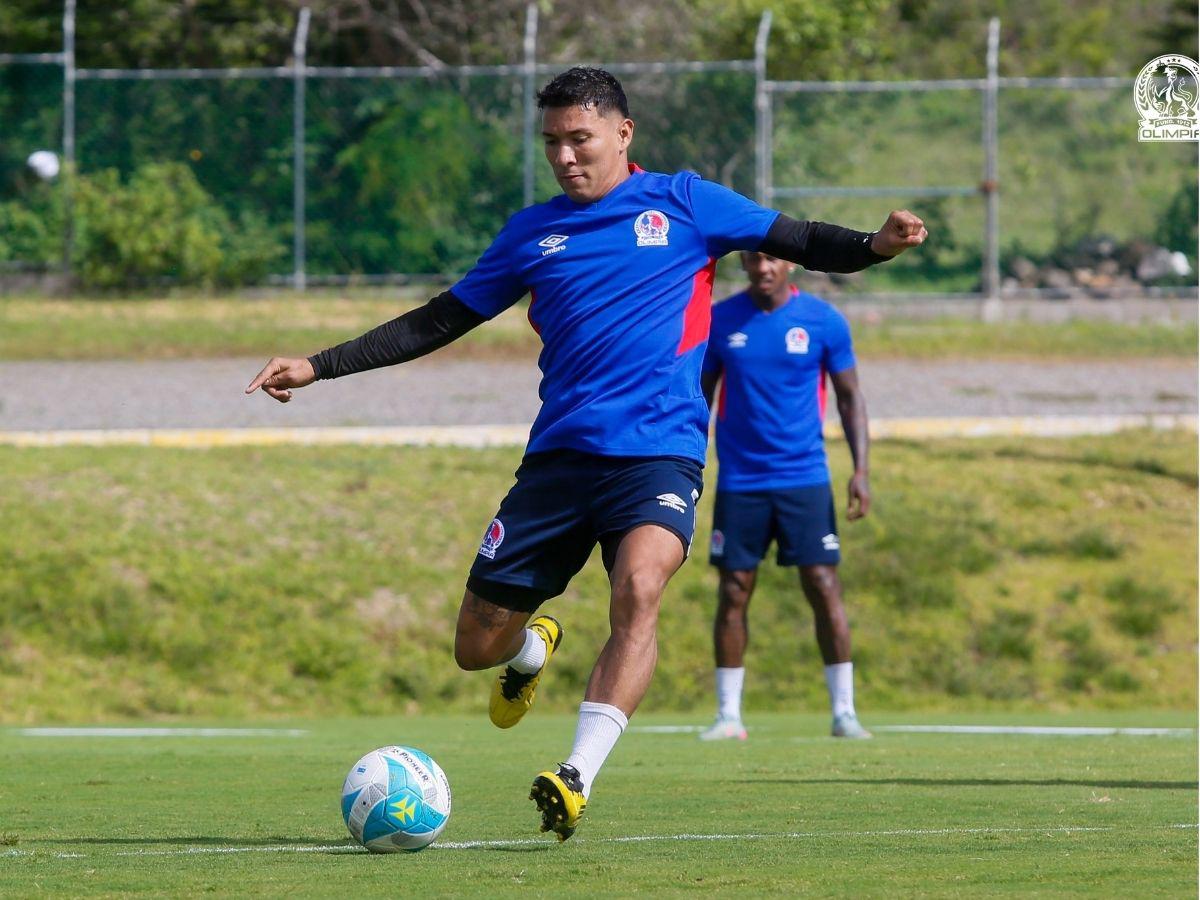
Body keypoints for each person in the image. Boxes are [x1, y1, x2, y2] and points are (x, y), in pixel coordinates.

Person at [245, 67, 925, 841]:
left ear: (623, 134)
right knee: (477, 649)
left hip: (660, 455)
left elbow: (797, 238)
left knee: (639, 590)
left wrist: (876, 245)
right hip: (559, 462)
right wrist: (318, 365)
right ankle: (532, 647)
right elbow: (435, 322)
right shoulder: (530, 234)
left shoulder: (686, 202)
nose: (566, 156)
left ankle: (575, 774)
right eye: (553, 143)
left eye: (580, 138)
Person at [698, 251, 873, 742]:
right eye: (754, 259)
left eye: (772, 258)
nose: (763, 268)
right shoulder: (722, 320)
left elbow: (850, 398)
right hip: (740, 480)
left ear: (789, 264)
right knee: (734, 589)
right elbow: (700, 398)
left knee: (822, 584)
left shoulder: (822, 321)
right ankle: (728, 716)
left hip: (804, 477)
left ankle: (844, 712)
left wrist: (861, 470)